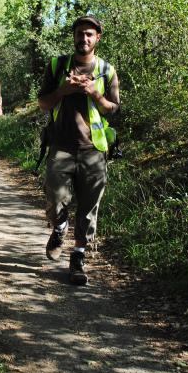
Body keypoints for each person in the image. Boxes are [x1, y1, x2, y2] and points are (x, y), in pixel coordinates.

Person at [37, 15, 120, 285]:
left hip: (94, 150)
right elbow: (43, 104)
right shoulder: (57, 65)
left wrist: (95, 93)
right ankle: (59, 227)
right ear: (73, 36)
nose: (83, 38)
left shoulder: (107, 70)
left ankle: (78, 258)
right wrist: (63, 90)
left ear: (97, 38)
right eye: (80, 33)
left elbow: (113, 108)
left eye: (89, 34)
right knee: (55, 198)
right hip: (60, 147)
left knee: (88, 207)